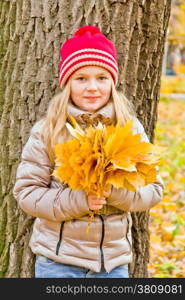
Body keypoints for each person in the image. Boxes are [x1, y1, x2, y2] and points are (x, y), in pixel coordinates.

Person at [13, 25, 164, 278]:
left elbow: (154, 189)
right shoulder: (49, 130)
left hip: (112, 265)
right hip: (58, 263)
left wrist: (114, 191)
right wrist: (80, 201)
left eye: (102, 78)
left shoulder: (129, 128)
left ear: (113, 82)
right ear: (67, 83)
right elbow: (27, 193)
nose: (92, 87)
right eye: (81, 78)